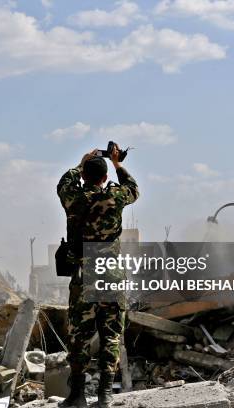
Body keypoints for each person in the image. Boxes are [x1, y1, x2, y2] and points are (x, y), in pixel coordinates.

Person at [56, 146, 139, 408]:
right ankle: (105, 395)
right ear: (104, 179)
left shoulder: (73, 197)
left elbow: (64, 183)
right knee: (111, 334)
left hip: (84, 274)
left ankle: (77, 395)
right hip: (110, 274)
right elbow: (133, 188)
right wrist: (116, 163)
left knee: (80, 336)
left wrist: (81, 164)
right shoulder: (115, 196)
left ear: (85, 176)